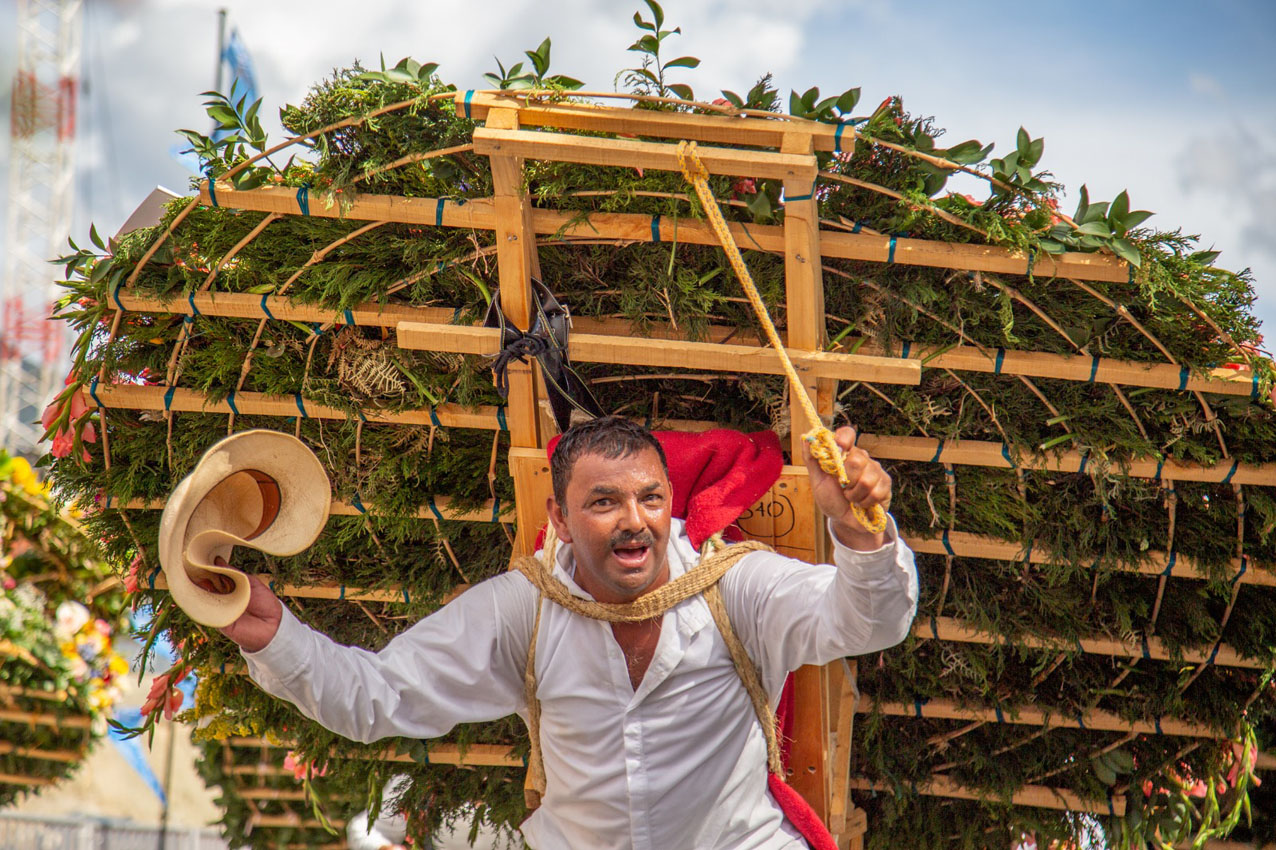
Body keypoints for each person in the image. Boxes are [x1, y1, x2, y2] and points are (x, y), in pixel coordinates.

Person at [216, 416, 918, 849]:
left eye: (650, 498)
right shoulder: (522, 608)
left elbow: (871, 619)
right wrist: (273, 635)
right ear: (558, 517)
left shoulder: (738, 585)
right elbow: (377, 698)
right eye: (604, 502)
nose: (634, 521)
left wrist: (858, 532)